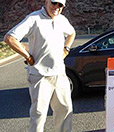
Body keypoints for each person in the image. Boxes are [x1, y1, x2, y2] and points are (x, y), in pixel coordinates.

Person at [4, 0, 76, 131]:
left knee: (65, 111)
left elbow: (71, 33)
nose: (57, 7)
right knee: (39, 116)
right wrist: (27, 56)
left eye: (61, 5)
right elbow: (10, 38)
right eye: (54, 3)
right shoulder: (34, 18)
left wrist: (66, 49)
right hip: (40, 76)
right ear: (46, 1)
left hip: (59, 74)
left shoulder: (62, 20)